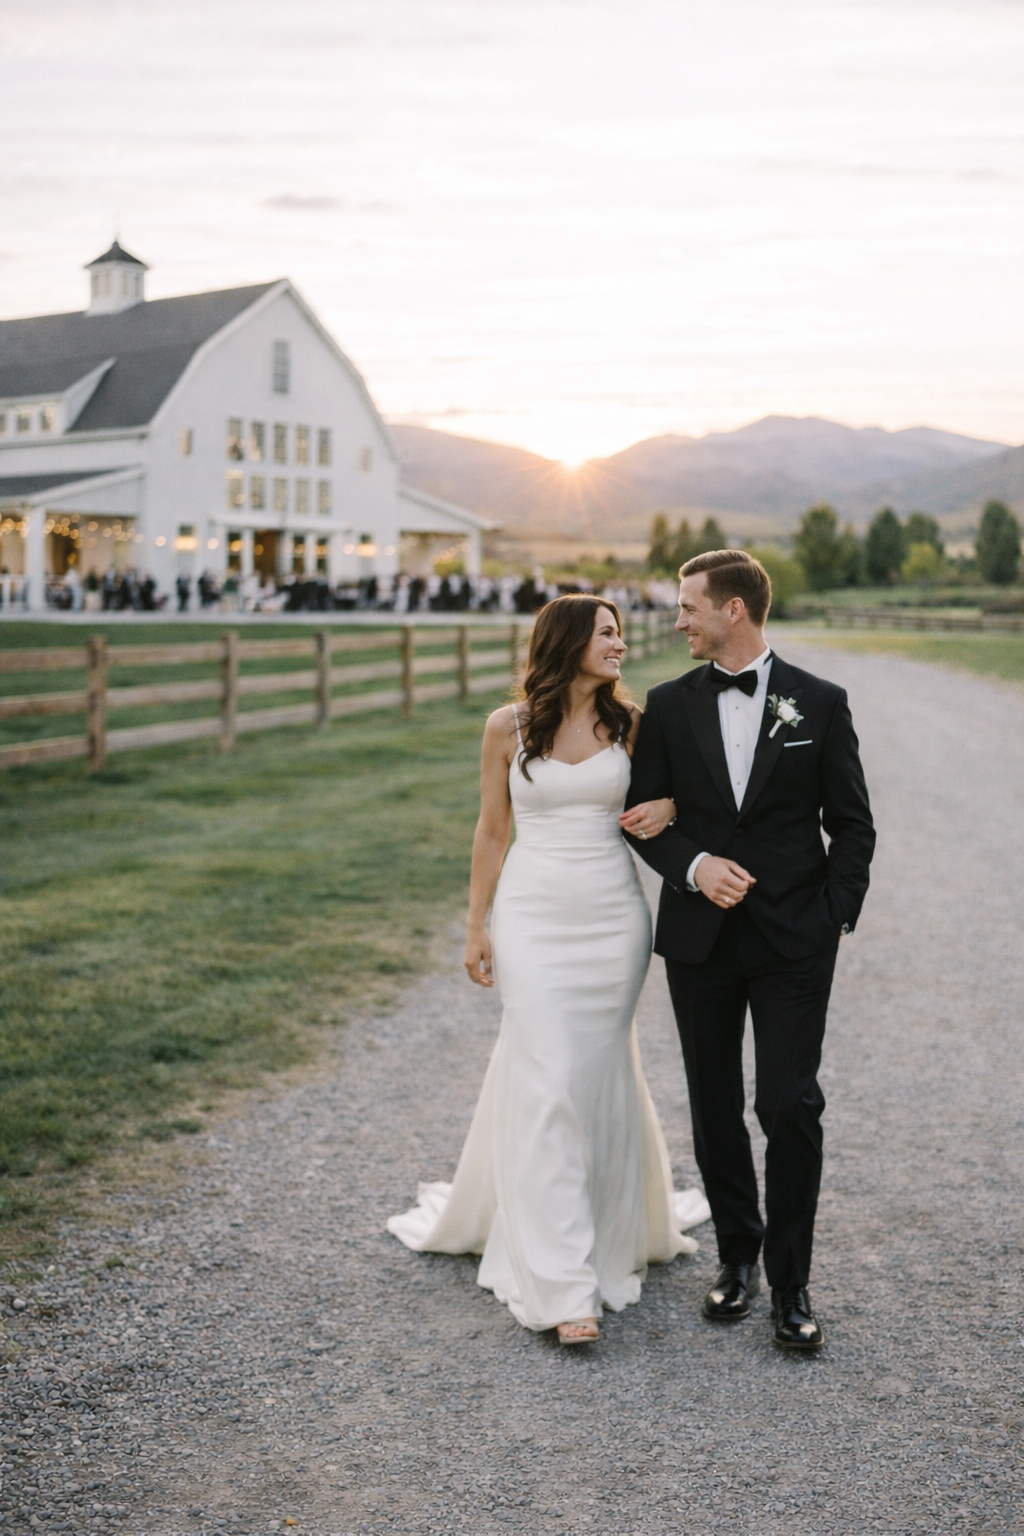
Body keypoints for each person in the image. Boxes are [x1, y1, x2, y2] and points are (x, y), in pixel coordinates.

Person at [388, 595, 710, 1343]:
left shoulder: (633, 727)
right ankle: (565, 1284)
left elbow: (677, 808)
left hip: (611, 921)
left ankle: (607, 1228)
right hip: (532, 918)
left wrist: (665, 811)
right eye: (606, 632)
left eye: (621, 633)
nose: (621, 643)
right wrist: (477, 924)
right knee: (550, 1074)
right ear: (566, 640)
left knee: (592, 1074)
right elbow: (491, 829)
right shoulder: (508, 728)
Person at [623, 550, 875, 1350]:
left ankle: (792, 1282)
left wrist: (834, 911)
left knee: (788, 1104)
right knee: (713, 1102)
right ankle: (738, 1259)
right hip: (701, 940)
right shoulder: (666, 706)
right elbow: (644, 819)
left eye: (688, 606)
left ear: (733, 609)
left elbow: (854, 823)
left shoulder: (821, 702)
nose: (678, 619)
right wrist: (694, 867)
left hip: (795, 939)